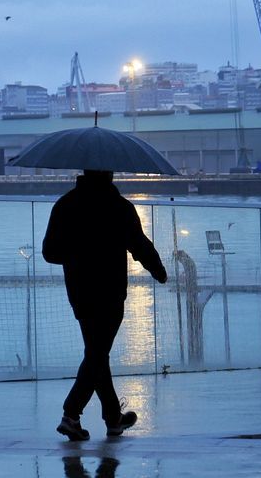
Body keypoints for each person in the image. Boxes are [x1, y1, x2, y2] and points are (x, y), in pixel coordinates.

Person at [42, 169, 168, 441]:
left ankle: (113, 418)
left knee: (96, 353)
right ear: (110, 174)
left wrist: (78, 251)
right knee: (97, 354)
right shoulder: (119, 207)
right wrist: (158, 270)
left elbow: (49, 252)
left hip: (79, 291)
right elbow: (139, 244)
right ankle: (71, 413)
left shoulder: (65, 205)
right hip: (111, 292)